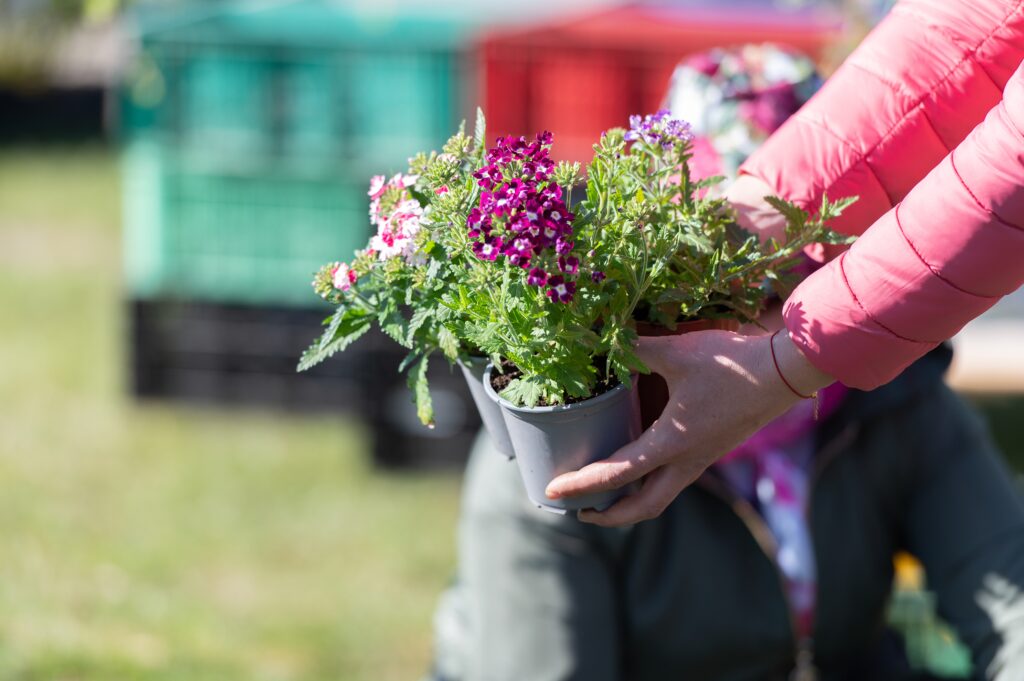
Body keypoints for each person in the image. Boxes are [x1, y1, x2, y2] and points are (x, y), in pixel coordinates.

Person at [429, 45, 1024, 681]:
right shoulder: (570, 446)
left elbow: (1009, 601)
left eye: (792, 264)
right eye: (717, 267)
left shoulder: (895, 403)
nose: (754, 302)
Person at [545, 0, 1024, 528]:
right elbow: (970, 36)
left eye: (782, 287)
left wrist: (783, 366)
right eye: (712, 296)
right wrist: (749, 225)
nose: (729, 325)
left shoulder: (904, 413)